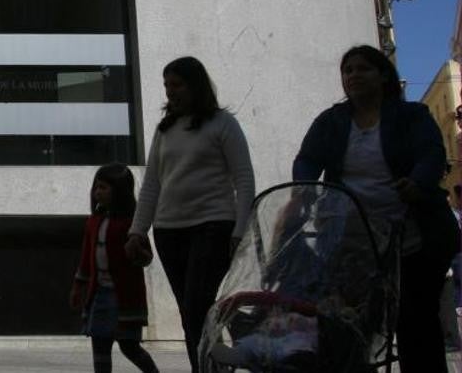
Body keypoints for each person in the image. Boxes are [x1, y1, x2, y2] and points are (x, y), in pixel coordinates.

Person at [292, 45, 461, 373]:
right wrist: (305, 188)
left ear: (383, 74)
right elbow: (308, 158)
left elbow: (431, 153)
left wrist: (417, 182)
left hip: (411, 235)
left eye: (362, 68)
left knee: (415, 321)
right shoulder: (332, 121)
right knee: (348, 322)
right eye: (348, 70)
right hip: (354, 239)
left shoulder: (411, 116)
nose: (353, 75)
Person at [125, 56, 256, 373]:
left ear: (195, 85)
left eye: (178, 84)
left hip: (213, 226)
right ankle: (208, 365)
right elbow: (152, 184)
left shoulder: (223, 124)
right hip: (169, 231)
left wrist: (240, 229)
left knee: (198, 306)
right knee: (190, 313)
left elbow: (244, 178)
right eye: (167, 85)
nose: (171, 92)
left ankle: (212, 365)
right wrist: (137, 230)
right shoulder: (165, 130)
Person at [71, 163, 160, 373]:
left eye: (104, 188)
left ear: (119, 192)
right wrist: (78, 286)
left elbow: (146, 257)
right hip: (99, 295)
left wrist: (136, 251)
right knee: (99, 344)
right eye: (96, 187)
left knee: (129, 345)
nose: (97, 192)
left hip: (125, 297)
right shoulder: (94, 222)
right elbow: (86, 259)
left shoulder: (131, 224)